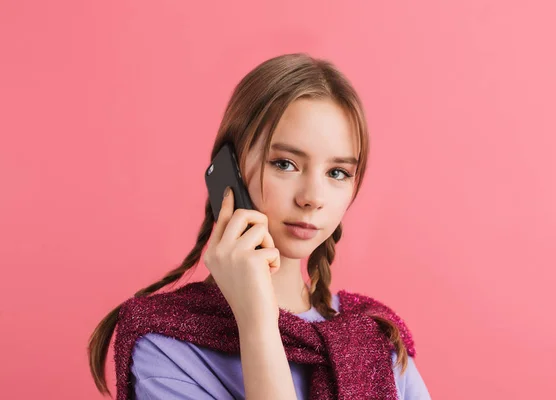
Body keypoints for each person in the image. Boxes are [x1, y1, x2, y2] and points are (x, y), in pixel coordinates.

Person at [88, 53, 431, 399]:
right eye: (284, 164)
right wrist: (258, 325)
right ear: (230, 169)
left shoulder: (374, 337)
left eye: (337, 173)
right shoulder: (166, 344)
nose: (313, 197)